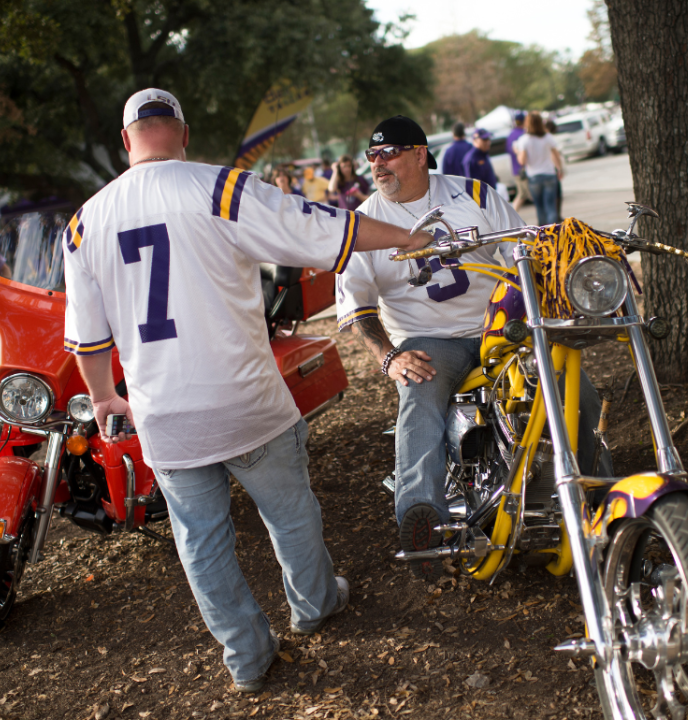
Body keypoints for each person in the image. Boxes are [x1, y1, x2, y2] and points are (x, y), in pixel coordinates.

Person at [63, 89, 432, 693]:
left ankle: (246, 656)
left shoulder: (84, 223)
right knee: (289, 513)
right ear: (182, 133)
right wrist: (409, 238)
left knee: (201, 543)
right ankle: (313, 607)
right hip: (245, 401)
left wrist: (104, 398)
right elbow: (322, 231)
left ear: (126, 141)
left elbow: (88, 340)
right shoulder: (219, 187)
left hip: (164, 414)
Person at [337, 115, 608, 582]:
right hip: (429, 340)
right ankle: (421, 518)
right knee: (418, 393)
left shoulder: (474, 194)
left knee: (574, 386)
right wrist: (389, 357)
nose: (378, 165)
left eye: (389, 153)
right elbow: (356, 304)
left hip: (501, 328)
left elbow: (525, 253)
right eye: (372, 156)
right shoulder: (365, 221)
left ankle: (590, 495)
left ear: (420, 154)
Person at [516, 111, 565, 226]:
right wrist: (559, 169)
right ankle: (554, 233)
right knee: (551, 206)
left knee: (540, 207)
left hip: (534, 176)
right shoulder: (548, 137)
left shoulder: (524, 140)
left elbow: (522, 161)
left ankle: (544, 235)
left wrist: (517, 152)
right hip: (549, 173)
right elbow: (556, 155)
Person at [507, 111, 531, 211]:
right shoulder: (523, 135)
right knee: (527, 194)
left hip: (516, 169)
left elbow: (509, 150)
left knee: (523, 194)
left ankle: (512, 213)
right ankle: (511, 214)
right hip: (523, 169)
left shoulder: (511, 134)